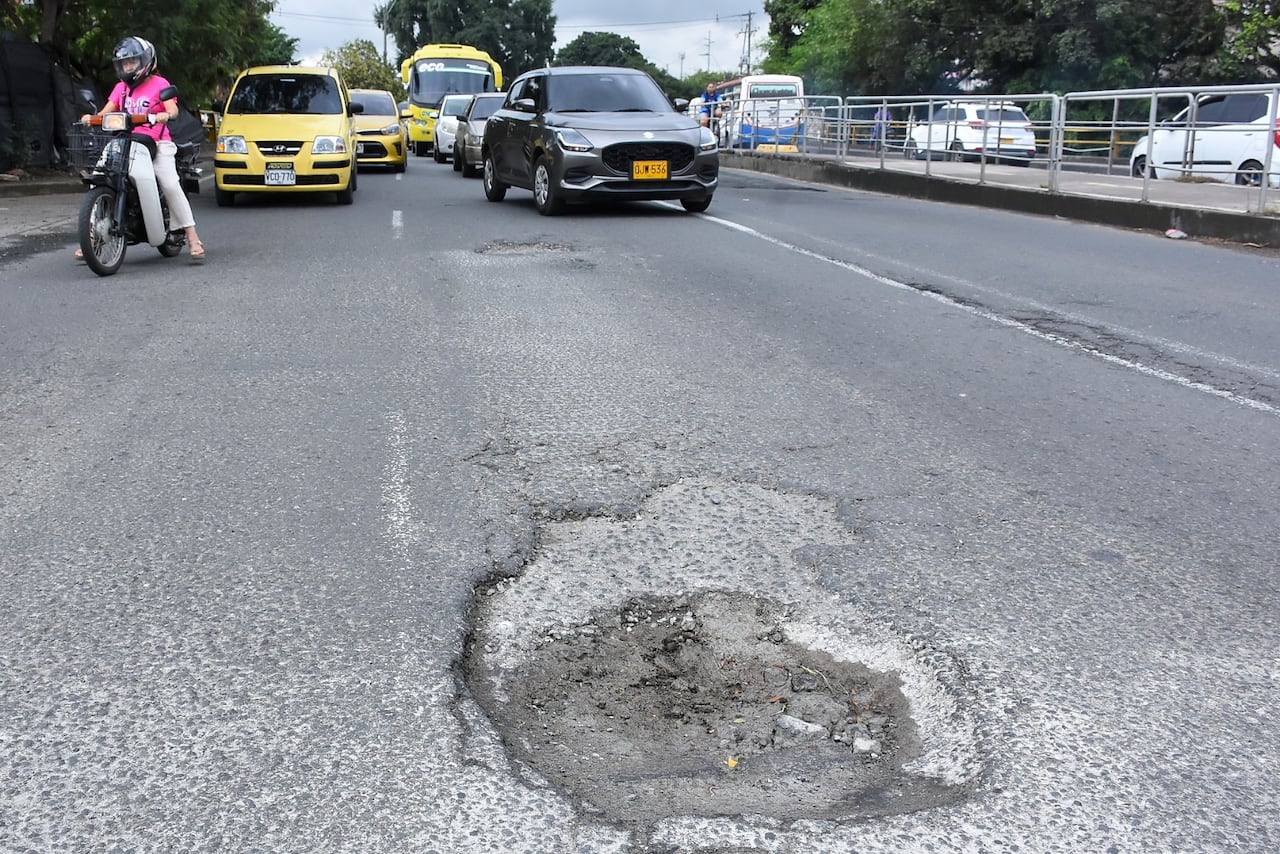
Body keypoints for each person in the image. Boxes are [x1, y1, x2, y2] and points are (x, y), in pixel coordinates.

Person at [76, 36, 204, 262]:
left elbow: (171, 109)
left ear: (145, 61)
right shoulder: (120, 88)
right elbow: (106, 111)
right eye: (124, 64)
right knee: (100, 174)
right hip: (126, 141)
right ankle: (91, 237)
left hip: (157, 143)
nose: (128, 67)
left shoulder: (160, 84)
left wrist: (166, 114)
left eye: (132, 62)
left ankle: (193, 237)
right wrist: (92, 118)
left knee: (170, 183)